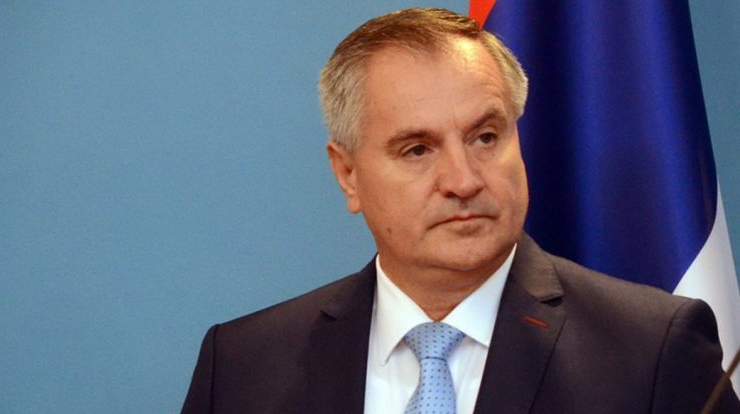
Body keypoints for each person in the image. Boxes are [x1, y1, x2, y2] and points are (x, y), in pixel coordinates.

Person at [181, 8, 740, 413]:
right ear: (347, 174)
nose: (464, 180)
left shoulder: (652, 351)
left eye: (485, 137)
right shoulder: (242, 367)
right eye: (417, 150)